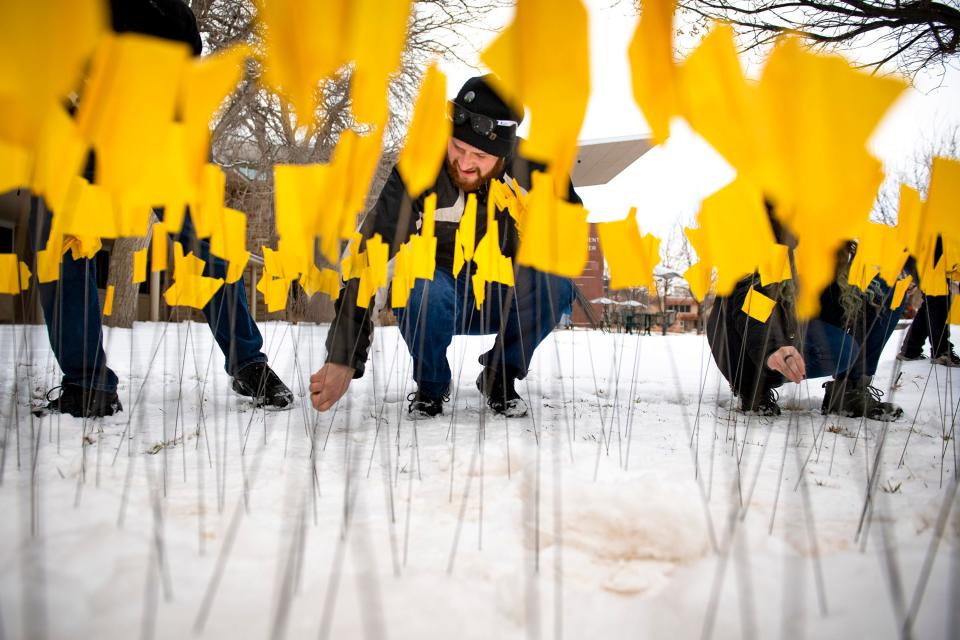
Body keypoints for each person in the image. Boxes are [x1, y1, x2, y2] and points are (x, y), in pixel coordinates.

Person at [30, 0, 292, 418]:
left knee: (207, 248)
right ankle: (86, 383)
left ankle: (250, 364)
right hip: (75, 132)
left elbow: (182, 54)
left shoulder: (168, 13)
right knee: (60, 245)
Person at [309, 76, 577, 419]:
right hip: (434, 296)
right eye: (457, 148)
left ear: (505, 153)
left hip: (500, 297)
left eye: (479, 155)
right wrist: (343, 354)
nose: (464, 164)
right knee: (420, 284)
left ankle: (500, 375)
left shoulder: (538, 173)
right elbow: (369, 257)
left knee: (554, 280)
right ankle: (431, 385)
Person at [707, 241, 905, 420]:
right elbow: (749, 306)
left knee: (888, 283)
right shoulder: (767, 235)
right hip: (746, 343)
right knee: (842, 349)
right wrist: (771, 349)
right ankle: (755, 389)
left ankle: (849, 392)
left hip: (796, 328)